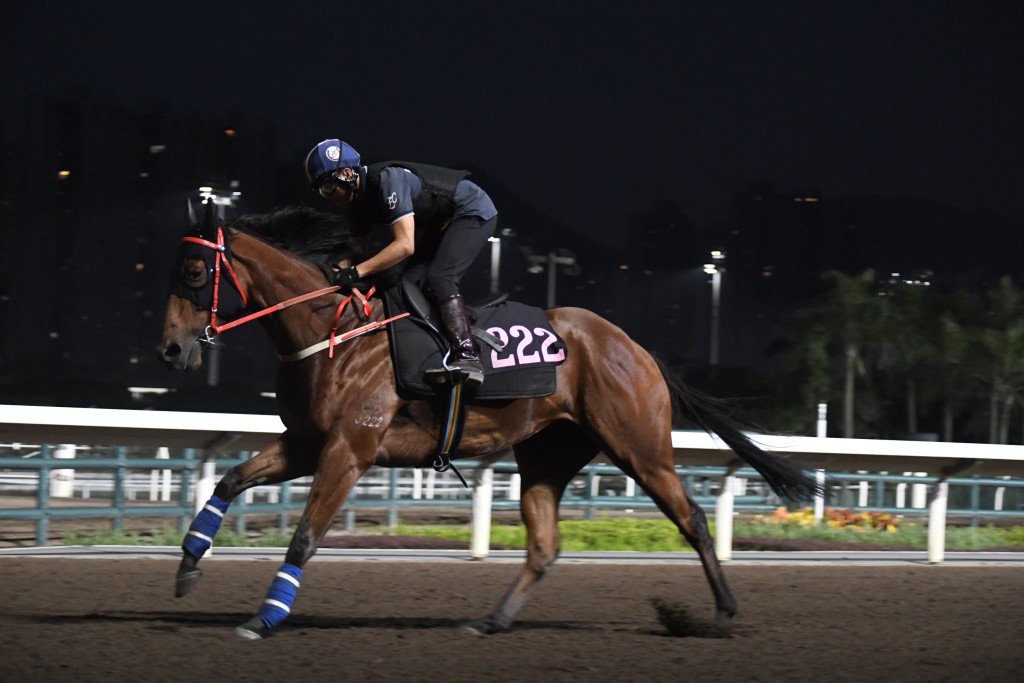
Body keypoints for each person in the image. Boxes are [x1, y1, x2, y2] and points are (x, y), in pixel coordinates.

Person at [303, 139, 498, 387]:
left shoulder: (387, 180)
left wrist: (355, 272)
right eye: (321, 191)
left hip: (471, 210)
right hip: (440, 225)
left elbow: (405, 245)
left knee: (441, 278)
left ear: (347, 174)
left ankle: (468, 355)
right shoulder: (356, 204)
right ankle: (438, 344)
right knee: (407, 283)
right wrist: (330, 272)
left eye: (328, 186)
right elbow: (357, 252)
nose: (328, 196)